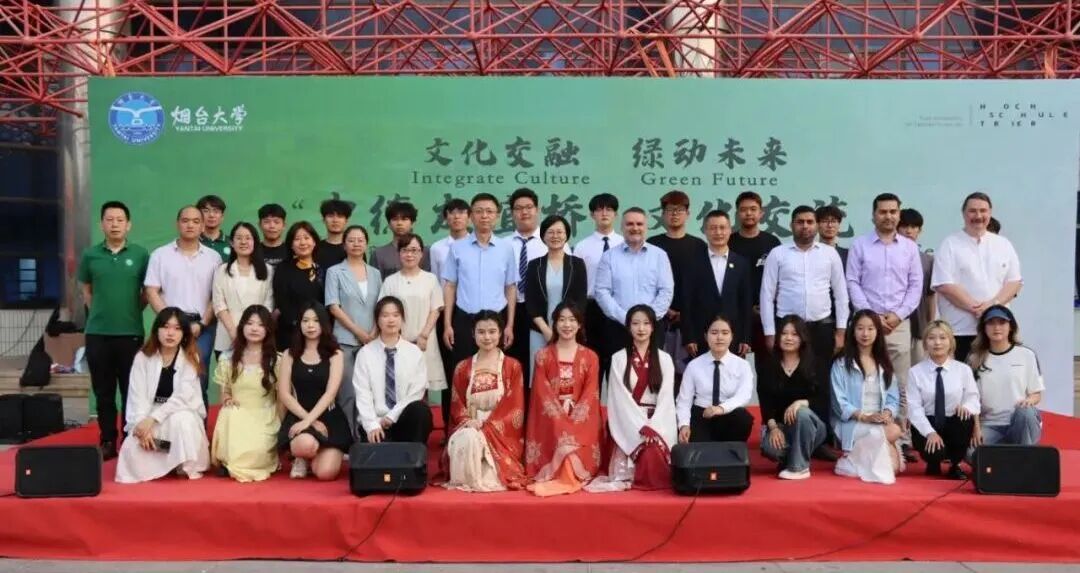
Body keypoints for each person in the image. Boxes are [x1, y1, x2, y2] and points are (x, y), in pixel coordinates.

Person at [761, 205, 848, 457]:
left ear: (816, 225)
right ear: (792, 225)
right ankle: (785, 431)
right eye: (800, 222)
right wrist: (770, 332)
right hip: (787, 328)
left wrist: (841, 331)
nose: (805, 226)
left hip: (821, 327)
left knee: (821, 382)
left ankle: (820, 439)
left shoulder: (829, 254)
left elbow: (841, 294)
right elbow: (767, 294)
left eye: (810, 222)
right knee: (788, 377)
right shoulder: (778, 254)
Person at [846, 193, 924, 462]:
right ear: (873, 215)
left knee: (900, 383)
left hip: (898, 324)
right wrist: (872, 317)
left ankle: (900, 438)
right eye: (883, 212)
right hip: (866, 324)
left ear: (899, 215)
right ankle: (860, 437)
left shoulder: (910, 248)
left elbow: (915, 285)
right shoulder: (860, 245)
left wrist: (898, 315)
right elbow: (852, 281)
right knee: (864, 379)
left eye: (893, 211)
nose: (888, 216)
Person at [78, 201, 149, 460]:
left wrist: (130, 311)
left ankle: (130, 439)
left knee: (132, 389)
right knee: (104, 391)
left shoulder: (141, 255)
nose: (115, 224)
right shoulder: (90, 255)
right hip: (98, 333)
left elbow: (147, 292)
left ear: (128, 225)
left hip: (130, 332)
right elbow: (86, 291)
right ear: (102, 224)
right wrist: (100, 312)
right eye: (110, 220)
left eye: (120, 220)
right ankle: (107, 439)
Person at [115, 308, 209, 483]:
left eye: (177, 328)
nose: (170, 333)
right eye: (166, 327)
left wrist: (153, 419)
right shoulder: (142, 357)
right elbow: (136, 397)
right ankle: (168, 455)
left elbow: (183, 397)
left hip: (178, 413)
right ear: (156, 330)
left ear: (184, 334)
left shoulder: (191, 358)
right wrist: (141, 427)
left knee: (182, 421)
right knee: (133, 449)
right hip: (150, 418)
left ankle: (177, 460)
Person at [590, 304, 676, 492]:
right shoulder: (618, 358)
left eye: (646, 323)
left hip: (657, 421)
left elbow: (666, 400)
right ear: (628, 327)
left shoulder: (664, 359)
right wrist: (640, 426)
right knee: (640, 454)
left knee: (654, 452)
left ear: (653, 327)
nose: (641, 328)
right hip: (627, 422)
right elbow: (618, 399)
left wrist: (653, 427)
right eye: (635, 323)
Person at [145, 206, 222, 409]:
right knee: (166, 377)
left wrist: (202, 323)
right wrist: (170, 322)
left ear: (203, 226)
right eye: (185, 220)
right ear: (177, 223)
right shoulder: (160, 255)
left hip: (201, 328)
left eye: (196, 221)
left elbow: (216, 296)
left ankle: (198, 427)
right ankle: (165, 426)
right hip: (168, 327)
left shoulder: (213, 257)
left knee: (198, 380)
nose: (190, 225)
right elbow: (151, 291)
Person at [932, 192, 1022, 362]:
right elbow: (945, 285)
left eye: (983, 211)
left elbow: (1014, 282)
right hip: (961, 330)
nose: (978, 216)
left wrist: (992, 306)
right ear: (964, 213)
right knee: (963, 377)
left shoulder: (1003, 244)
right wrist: (978, 308)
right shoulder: (950, 244)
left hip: (997, 331)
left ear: (990, 212)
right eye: (972, 211)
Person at [444, 310, 528, 492]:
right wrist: (468, 422)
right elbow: (457, 404)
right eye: (481, 332)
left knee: (490, 478)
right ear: (473, 334)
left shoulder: (512, 366)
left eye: (492, 331)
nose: (487, 337)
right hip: (470, 425)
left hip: (499, 432)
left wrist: (487, 426)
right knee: (468, 438)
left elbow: (515, 409)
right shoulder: (462, 368)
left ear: (500, 333)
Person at [524, 302, 602, 496]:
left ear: (580, 324)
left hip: (581, 419)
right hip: (550, 418)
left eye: (572, 320)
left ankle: (569, 475)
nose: (567, 325)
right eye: (562, 320)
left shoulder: (590, 357)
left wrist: (574, 418)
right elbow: (541, 392)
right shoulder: (543, 356)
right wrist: (560, 418)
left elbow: (590, 394)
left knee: (570, 445)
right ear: (555, 324)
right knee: (563, 440)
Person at [441, 193, 518, 370]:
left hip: (497, 321)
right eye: (479, 211)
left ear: (497, 216)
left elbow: (510, 287)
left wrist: (509, 325)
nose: (484, 216)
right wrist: (447, 325)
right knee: (463, 370)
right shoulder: (457, 247)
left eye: (489, 211)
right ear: (471, 216)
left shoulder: (506, 248)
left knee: (495, 373)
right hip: (465, 320)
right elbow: (450, 286)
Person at [379, 234, 447, 429]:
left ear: (421, 254)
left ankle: (421, 432)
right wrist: (397, 338)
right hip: (397, 342)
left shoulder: (430, 279)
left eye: (414, 250)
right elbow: (384, 310)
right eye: (405, 250)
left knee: (421, 389)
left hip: (424, 341)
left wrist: (423, 335)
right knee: (400, 387)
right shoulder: (391, 281)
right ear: (399, 253)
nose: (410, 254)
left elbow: (436, 309)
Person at [277, 302, 351, 480]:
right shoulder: (289, 354)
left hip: (329, 418)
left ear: (323, 323)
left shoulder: (335, 354)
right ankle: (301, 457)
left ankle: (316, 457)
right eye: (305, 320)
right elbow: (284, 394)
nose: (310, 325)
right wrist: (308, 421)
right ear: (299, 324)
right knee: (305, 444)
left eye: (316, 321)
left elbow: (330, 393)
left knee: (325, 473)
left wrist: (312, 420)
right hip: (299, 415)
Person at [830, 310, 903, 484]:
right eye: (860, 328)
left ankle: (854, 458)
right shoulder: (841, 364)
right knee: (894, 431)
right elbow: (839, 403)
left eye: (870, 329)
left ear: (878, 332)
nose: (865, 334)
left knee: (894, 467)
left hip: (878, 421)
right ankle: (854, 454)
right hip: (852, 422)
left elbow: (893, 398)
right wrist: (864, 417)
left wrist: (887, 413)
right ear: (853, 331)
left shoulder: (883, 362)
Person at [210, 305, 281, 482]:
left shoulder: (276, 360)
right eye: (250, 323)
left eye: (260, 324)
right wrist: (227, 398)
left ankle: (241, 461)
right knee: (228, 411)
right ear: (242, 326)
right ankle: (228, 462)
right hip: (239, 413)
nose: (254, 328)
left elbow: (282, 397)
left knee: (256, 452)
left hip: (265, 418)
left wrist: (280, 424)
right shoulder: (228, 358)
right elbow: (225, 392)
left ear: (268, 329)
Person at [325, 225, 382, 438]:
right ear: (344, 244)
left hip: (373, 340)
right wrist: (359, 332)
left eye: (360, 240)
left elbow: (380, 306)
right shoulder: (334, 272)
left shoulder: (375, 273)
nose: (356, 244)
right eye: (351, 240)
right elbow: (333, 306)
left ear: (366, 244)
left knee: (371, 391)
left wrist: (374, 332)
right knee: (347, 392)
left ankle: (369, 436)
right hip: (345, 340)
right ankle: (348, 438)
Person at [353, 296, 433, 444]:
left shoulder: (414, 352)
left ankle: (414, 456)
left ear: (402, 319)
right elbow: (362, 393)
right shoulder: (365, 354)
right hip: (377, 424)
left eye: (396, 315)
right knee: (380, 455)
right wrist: (372, 425)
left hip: (403, 420)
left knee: (421, 410)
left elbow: (416, 391)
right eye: (385, 315)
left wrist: (392, 416)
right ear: (377, 320)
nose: (391, 320)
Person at [595, 207, 674, 357]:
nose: (635, 228)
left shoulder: (659, 255)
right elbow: (602, 291)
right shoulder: (609, 256)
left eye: (639, 224)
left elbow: (666, 291)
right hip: (618, 327)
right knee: (619, 369)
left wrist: (647, 320)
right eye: (630, 224)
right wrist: (626, 318)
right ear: (622, 227)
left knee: (652, 370)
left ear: (646, 227)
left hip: (652, 328)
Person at [907, 320, 980, 479]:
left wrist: (966, 407)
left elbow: (973, 398)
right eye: (932, 338)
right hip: (928, 422)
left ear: (951, 342)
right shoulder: (915, 372)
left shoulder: (963, 370)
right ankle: (933, 462)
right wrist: (930, 433)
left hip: (953, 421)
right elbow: (914, 408)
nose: (937, 342)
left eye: (942, 337)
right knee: (935, 451)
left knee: (964, 418)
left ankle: (955, 464)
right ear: (925, 343)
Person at [728, 191, 782, 408]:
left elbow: (780, 278)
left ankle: (769, 420)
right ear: (737, 213)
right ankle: (730, 416)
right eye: (743, 210)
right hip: (735, 317)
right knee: (731, 371)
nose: (748, 214)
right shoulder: (729, 241)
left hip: (765, 317)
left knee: (768, 371)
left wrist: (767, 307)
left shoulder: (772, 242)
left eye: (753, 209)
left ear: (762, 213)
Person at [647, 190, 708, 376]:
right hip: (658, 317)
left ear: (688, 214)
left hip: (691, 320)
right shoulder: (652, 244)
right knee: (659, 372)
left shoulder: (699, 246)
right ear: (663, 214)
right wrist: (665, 309)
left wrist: (685, 313)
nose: (674, 214)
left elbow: (703, 285)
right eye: (669, 210)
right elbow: (647, 281)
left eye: (680, 210)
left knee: (689, 373)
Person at [760, 315, 828, 480]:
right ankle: (798, 454)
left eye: (794, 334)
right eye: (784, 333)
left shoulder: (816, 363)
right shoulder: (768, 365)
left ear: (803, 338)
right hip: (782, 426)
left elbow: (824, 400)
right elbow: (765, 403)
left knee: (801, 412)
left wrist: (801, 403)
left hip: (812, 426)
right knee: (770, 448)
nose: (788, 338)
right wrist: (773, 428)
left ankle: (799, 468)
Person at [506, 188, 562, 383]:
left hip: (542, 313)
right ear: (512, 213)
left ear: (537, 209)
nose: (524, 212)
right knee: (513, 367)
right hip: (511, 311)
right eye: (519, 208)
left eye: (529, 207)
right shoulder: (503, 245)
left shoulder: (553, 241)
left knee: (540, 367)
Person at [968, 305, 1043, 447]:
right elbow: (971, 399)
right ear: (984, 328)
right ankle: (1008, 451)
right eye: (991, 323)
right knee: (972, 453)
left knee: (1025, 413)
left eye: (1002, 322)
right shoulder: (974, 359)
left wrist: (1028, 401)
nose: (997, 327)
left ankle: (1024, 455)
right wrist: (976, 428)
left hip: (1019, 421)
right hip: (990, 425)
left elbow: (1036, 394)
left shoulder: (1027, 355)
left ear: (1011, 327)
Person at [682, 209, 753, 358]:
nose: (718, 232)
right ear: (705, 231)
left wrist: (746, 337)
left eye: (722, 227)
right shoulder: (692, 263)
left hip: (733, 337)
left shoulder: (741, 263)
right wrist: (689, 337)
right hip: (701, 337)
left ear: (730, 230)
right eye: (713, 228)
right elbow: (687, 303)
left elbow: (746, 304)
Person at [525, 215, 588, 380]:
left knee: (567, 376)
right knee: (540, 376)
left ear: (566, 235)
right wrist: (546, 330)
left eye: (560, 232)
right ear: (543, 236)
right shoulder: (534, 265)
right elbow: (530, 301)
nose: (555, 236)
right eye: (550, 232)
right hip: (540, 330)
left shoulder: (577, 264)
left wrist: (567, 327)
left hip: (569, 330)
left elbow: (581, 300)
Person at [676, 315, 755, 444]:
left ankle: (731, 452)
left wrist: (720, 409)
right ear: (705, 336)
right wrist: (683, 425)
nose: (719, 337)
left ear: (732, 336)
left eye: (725, 333)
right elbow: (684, 400)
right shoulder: (694, 365)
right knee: (700, 453)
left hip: (728, 413)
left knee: (743, 418)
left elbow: (744, 395)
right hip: (701, 414)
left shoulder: (742, 365)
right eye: (714, 332)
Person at [573, 193, 624, 376]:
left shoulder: (624, 243)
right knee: (592, 363)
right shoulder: (581, 247)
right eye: (599, 209)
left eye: (609, 209)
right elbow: (577, 283)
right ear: (592, 214)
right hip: (592, 308)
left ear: (616, 214)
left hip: (618, 307)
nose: (604, 213)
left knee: (617, 364)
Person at [211, 222, 274, 356]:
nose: (243, 242)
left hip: (258, 337)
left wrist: (252, 330)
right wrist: (235, 334)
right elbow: (219, 305)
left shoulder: (268, 270)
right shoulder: (221, 270)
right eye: (239, 238)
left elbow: (268, 304)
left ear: (255, 242)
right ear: (232, 243)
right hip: (227, 337)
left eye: (248, 238)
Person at [273, 221, 324, 351]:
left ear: (314, 241)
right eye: (297, 239)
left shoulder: (321, 269)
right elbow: (282, 301)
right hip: (290, 333)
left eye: (307, 238)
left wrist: (316, 326)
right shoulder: (283, 268)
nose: (303, 242)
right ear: (291, 245)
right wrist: (301, 325)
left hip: (318, 333)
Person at [898, 208, 935, 364]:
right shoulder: (887, 257)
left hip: (920, 327)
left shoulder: (928, 260)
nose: (909, 231)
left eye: (913, 227)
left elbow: (931, 296)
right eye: (904, 226)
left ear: (920, 230)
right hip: (895, 326)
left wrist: (931, 325)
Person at [372, 200, 430, 276]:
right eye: (395, 219)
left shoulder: (425, 252)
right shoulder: (379, 254)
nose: (399, 223)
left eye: (404, 219)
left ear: (412, 223)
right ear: (389, 224)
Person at [430, 198, 471, 286]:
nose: (456, 217)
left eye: (461, 212)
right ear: (445, 219)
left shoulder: (477, 245)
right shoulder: (436, 248)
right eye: (452, 213)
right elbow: (435, 281)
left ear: (469, 217)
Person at [315, 198, 352, 271]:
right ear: (324, 220)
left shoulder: (353, 249)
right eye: (331, 216)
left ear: (346, 221)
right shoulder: (315, 248)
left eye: (340, 216)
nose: (335, 220)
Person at [197, 195, 230, 259]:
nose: (211, 215)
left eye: (216, 211)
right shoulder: (192, 242)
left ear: (222, 216)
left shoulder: (233, 243)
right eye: (206, 211)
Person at [815, 204, 848, 268]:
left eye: (833, 221)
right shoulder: (810, 253)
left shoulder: (847, 254)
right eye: (825, 221)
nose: (830, 225)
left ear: (839, 225)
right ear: (817, 225)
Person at [258, 203, 288, 268]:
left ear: (284, 225)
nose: (272, 226)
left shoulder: (292, 251)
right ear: (259, 225)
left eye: (276, 222)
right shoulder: (253, 251)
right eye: (267, 222)